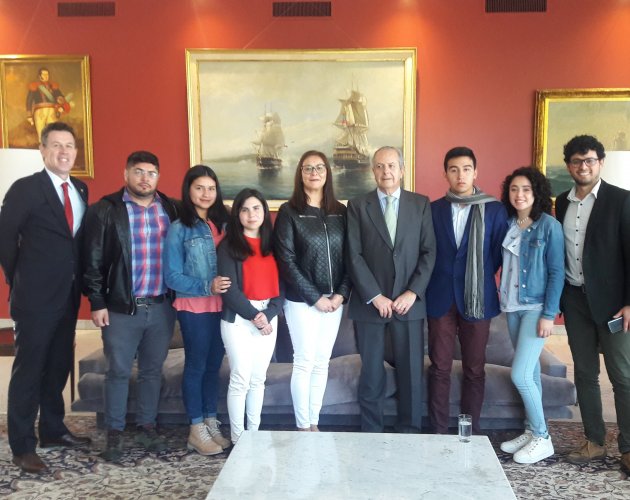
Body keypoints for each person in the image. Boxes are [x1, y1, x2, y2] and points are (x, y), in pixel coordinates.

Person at [0, 122, 90, 474]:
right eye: (56, 145)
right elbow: (5, 241)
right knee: (29, 370)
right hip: (35, 298)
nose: (64, 151)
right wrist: (20, 279)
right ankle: (23, 446)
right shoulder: (25, 189)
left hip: (67, 295)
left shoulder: (79, 188)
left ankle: (53, 430)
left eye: (69, 145)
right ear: (42, 149)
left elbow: (75, 243)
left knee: (57, 366)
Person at [83, 150, 178, 462]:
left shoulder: (170, 209)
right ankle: (114, 432)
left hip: (161, 306)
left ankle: (147, 427)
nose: (145, 179)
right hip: (122, 308)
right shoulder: (106, 210)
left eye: (151, 173)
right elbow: (92, 260)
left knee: (152, 372)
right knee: (118, 371)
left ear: (158, 177)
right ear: (126, 174)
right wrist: (97, 302)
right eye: (138, 172)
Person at [346, 146, 436, 433]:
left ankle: (409, 430)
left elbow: (429, 252)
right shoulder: (357, 205)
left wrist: (412, 292)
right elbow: (353, 255)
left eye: (391, 165)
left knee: (411, 372)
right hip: (370, 305)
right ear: (373, 171)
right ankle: (371, 431)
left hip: (409, 303)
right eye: (380, 166)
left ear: (402, 170)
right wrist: (375, 296)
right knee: (372, 374)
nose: (386, 171)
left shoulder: (420, 204)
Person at [555, 135, 630, 470]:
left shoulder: (621, 200)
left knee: (622, 376)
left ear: (600, 162)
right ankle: (594, 441)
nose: (583, 166)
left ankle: (628, 447)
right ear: (569, 166)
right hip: (575, 300)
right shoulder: (562, 202)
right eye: (576, 161)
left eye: (589, 160)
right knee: (585, 373)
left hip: (614, 305)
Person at [426, 146, 508, 435]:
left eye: (466, 169)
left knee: (474, 369)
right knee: (439, 368)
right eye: (454, 170)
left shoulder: (495, 209)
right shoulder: (433, 209)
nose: (460, 175)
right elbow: (427, 252)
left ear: (475, 172)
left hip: (478, 299)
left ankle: (469, 432)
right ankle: (438, 431)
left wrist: (477, 278)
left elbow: (497, 254)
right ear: (445, 174)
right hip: (440, 298)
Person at [273, 151, 351, 432]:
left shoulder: (341, 211)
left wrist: (340, 294)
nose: (314, 173)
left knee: (321, 363)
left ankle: (314, 423)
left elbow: (351, 257)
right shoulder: (289, 212)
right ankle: (302, 425)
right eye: (308, 168)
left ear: (327, 172)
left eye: (319, 168)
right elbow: (286, 260)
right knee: (304, 361)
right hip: (302, 302)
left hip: (335, 301)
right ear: (300, 174)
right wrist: (315, 297)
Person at [498, 167, 564, 464]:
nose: (519, 194)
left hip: (535, 307)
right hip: (511, 306)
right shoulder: (508, 223)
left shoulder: (549, 226)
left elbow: (557, 272)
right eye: (514, 189)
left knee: (520, 374)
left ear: (537, 192)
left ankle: (542, 437)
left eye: (526, 189)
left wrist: (549, 314)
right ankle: (530, 429)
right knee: (532, 372)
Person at [163, 165, 231, 455]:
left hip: (223, 308)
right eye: (199, 188)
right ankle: (195, 428)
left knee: (214, 366)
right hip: (194, 308)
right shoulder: (179, 228)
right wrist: (206, 286)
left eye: (211, 188)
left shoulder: (225, 224)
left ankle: (210, 421)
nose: (206, 194)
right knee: (197, 365)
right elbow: (171, 277)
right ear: (188, 190)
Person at [217, 188, 284, 444]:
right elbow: (229, 290)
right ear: (238, 215)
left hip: (268, 317)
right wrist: (256, 316)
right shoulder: (228, 246)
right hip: (238, 320)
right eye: (244, 210)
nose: (251, 214)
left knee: (258, 379)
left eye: (256, 208)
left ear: (264, 212)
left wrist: (268, 314)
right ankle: (238, 439)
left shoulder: (274, 245)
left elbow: (283, 287)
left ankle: (253, 436)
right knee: (240, 379)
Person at [26, 68, 70, 140]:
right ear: (40, 76)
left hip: (52, 112)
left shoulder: (53, 86)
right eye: (44, 74)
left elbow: (60, 97)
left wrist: (61, 107)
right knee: (41, 134)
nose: (46, 76)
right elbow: (29, 100)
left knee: (53, 134)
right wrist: (29, 116)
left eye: (47, 74)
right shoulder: (34, 86)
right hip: (40, 112)